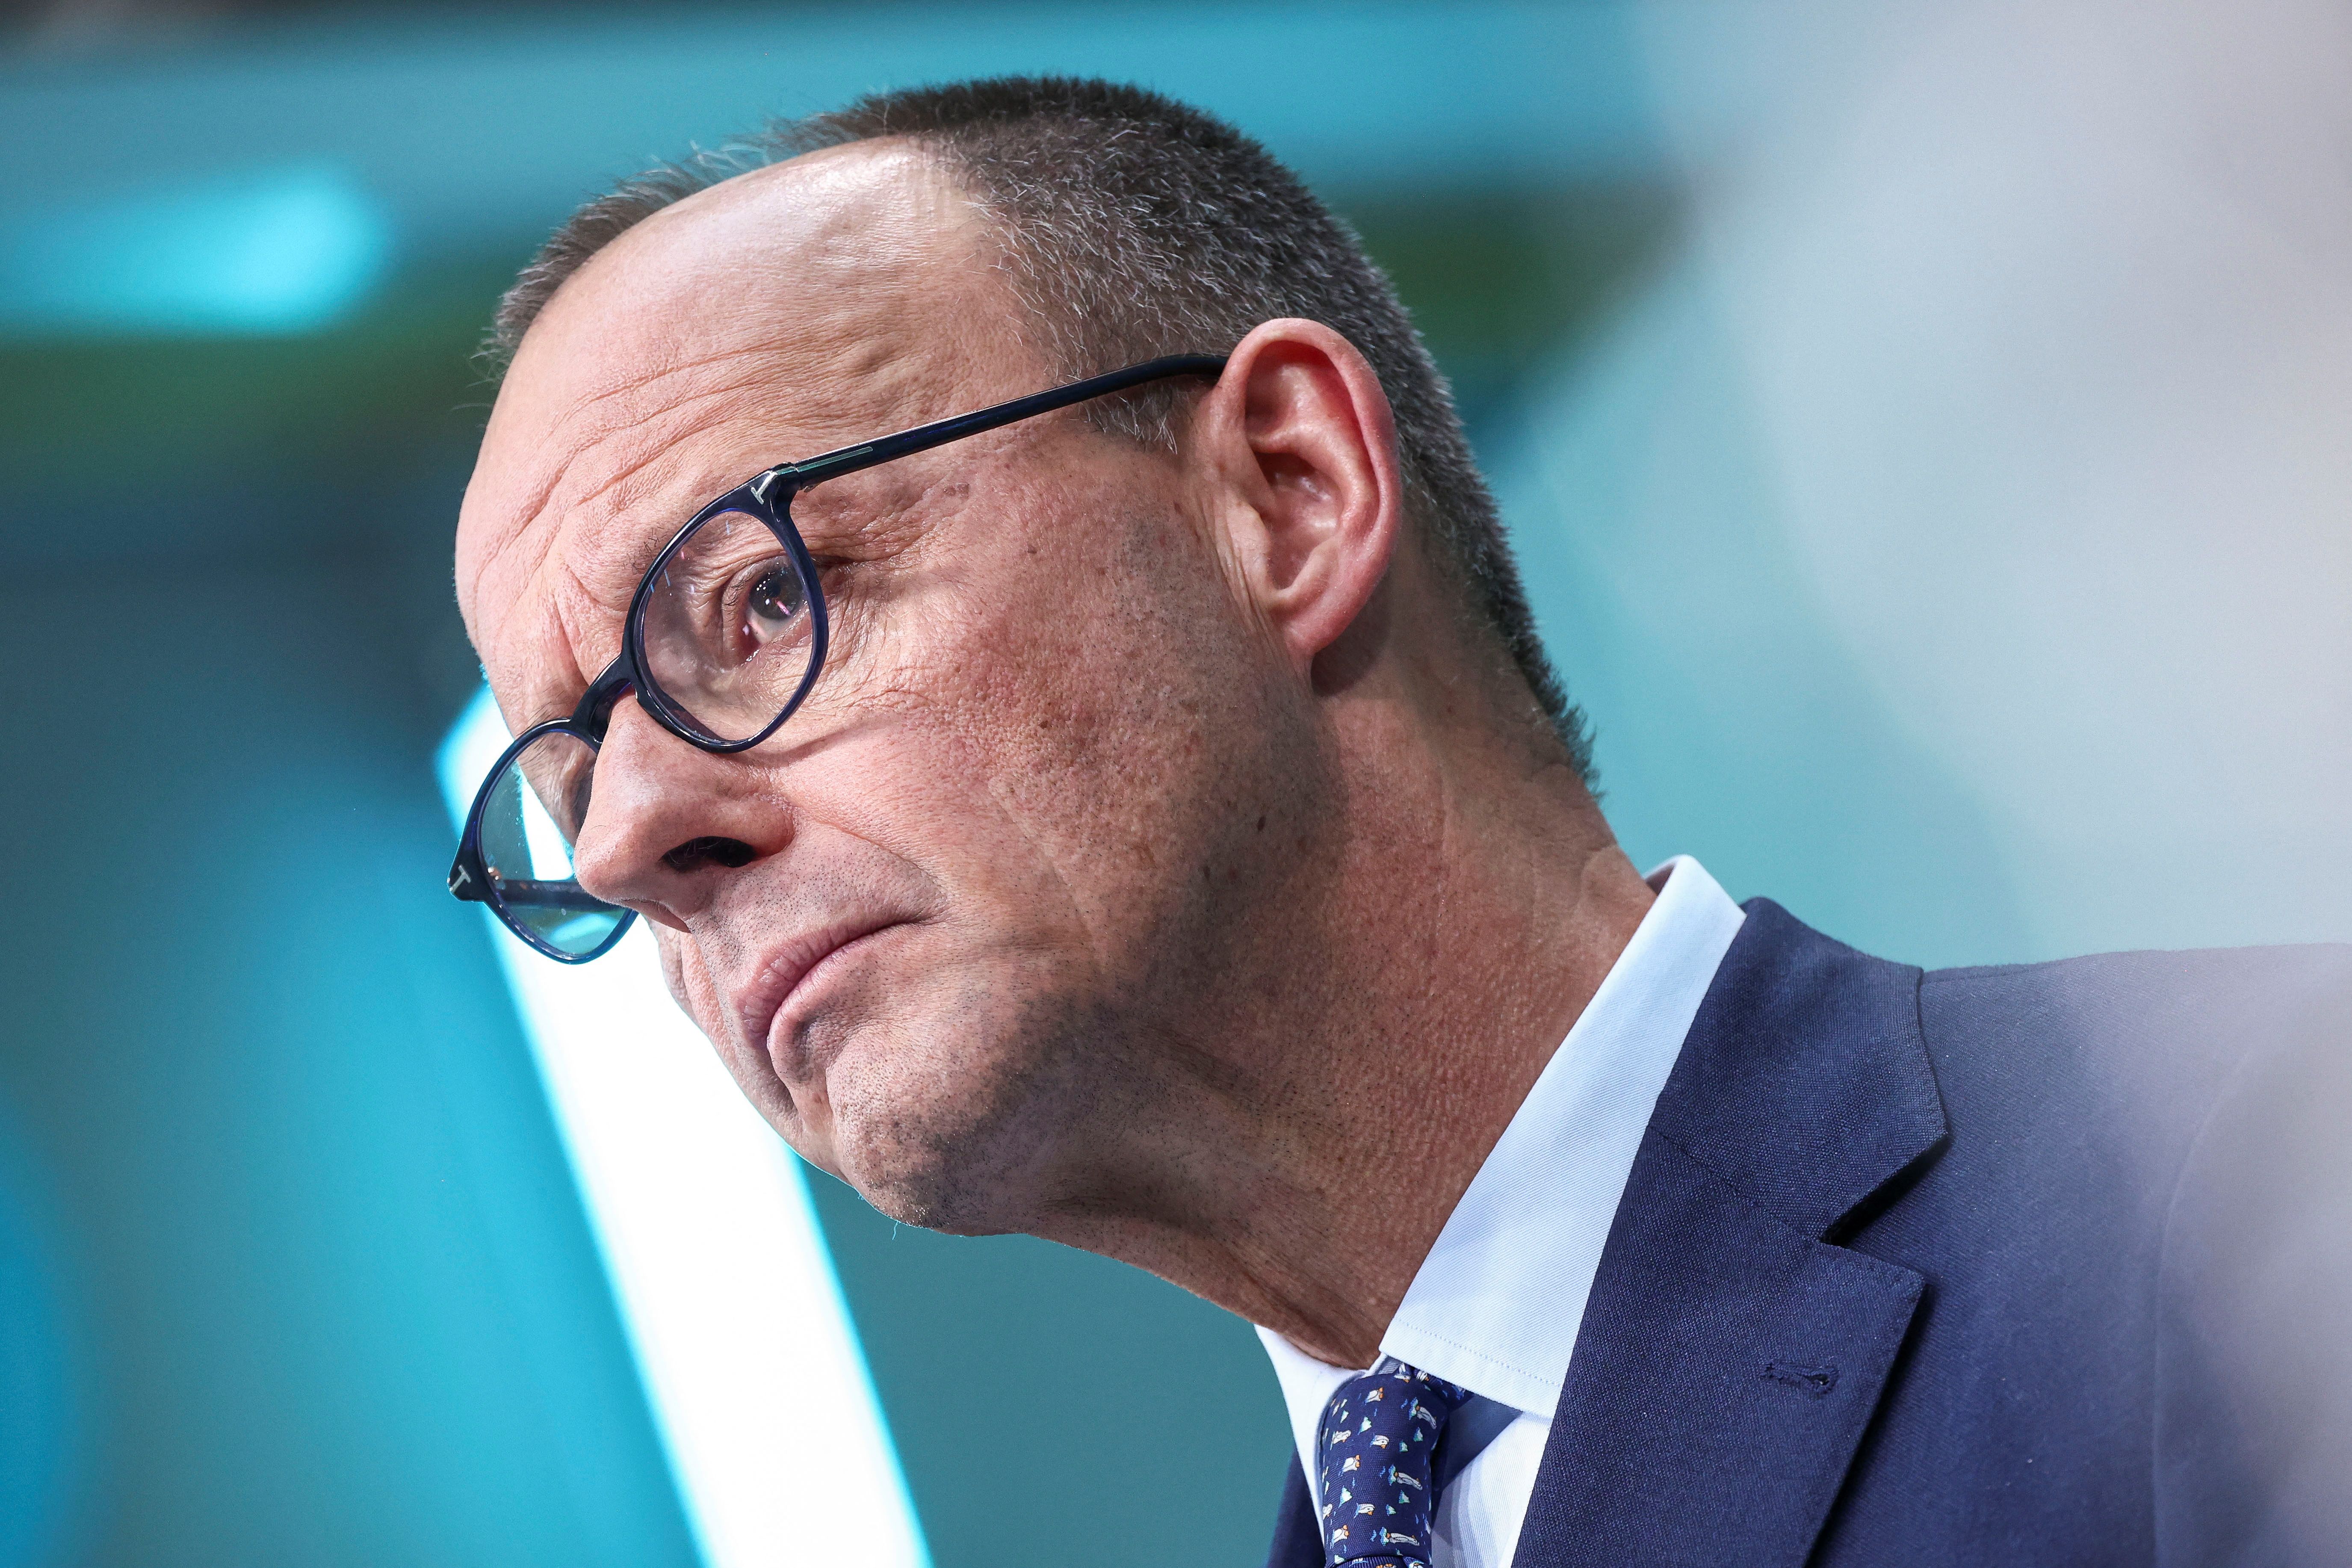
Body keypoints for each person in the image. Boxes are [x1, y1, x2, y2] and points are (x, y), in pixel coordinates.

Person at [448, 77, 2352, 1568]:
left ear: (1284, 493)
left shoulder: (2255, 1186)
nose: (625, 840)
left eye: (763, 601)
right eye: (562, 776)